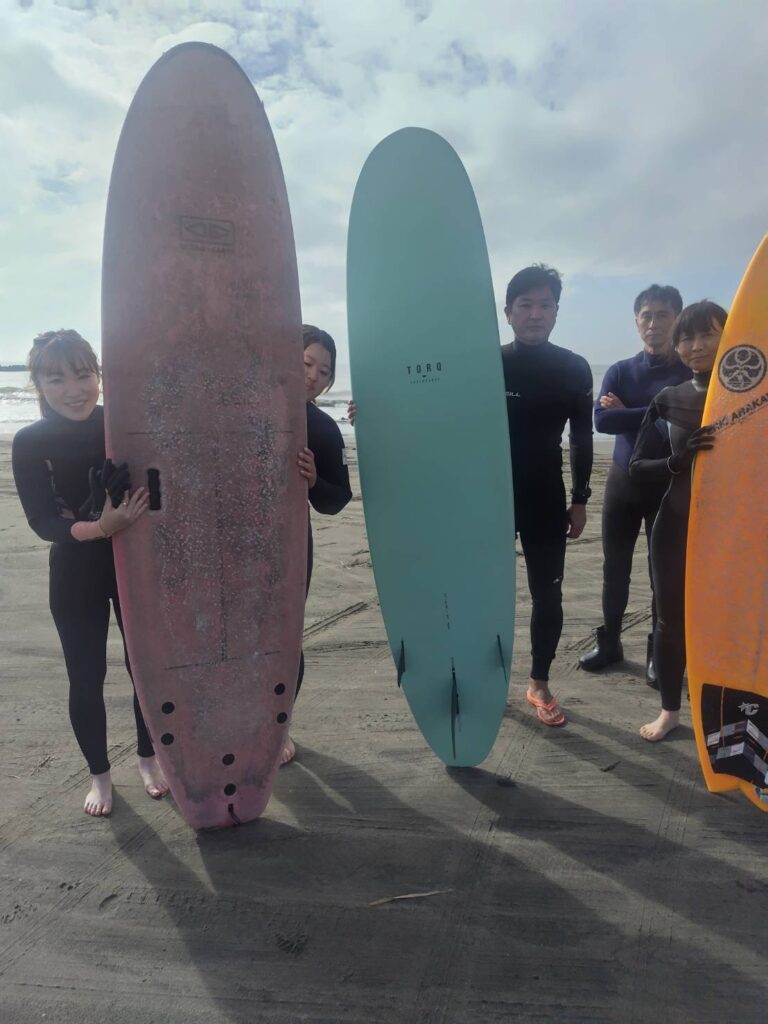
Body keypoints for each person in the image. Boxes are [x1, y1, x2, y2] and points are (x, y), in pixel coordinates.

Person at [11, 330, 167, 816]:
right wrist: (101, 525)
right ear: (37, 382)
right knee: (86, 675)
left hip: (136, 563)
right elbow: (42, 522)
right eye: (57, 378)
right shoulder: (31, 441)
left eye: (84, 374)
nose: (75, 389)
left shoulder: (121, 426)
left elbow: (157, 493)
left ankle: (149, 758)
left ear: (100, 375)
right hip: (76, 569)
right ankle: (100, 776)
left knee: (146, 669)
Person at [579, 285, 691, 683]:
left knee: (664, 573)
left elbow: (691, 416)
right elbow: (601, 422)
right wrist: (659, 410)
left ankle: (658, 655)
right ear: (636, 321)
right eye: (646, 315)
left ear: (677, 319)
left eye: (663, 314)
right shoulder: (621, 370)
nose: (654, 323)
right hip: (622, 484)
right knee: (615, 569)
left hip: (668, 485)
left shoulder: (688, 370)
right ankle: (610, 643)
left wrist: (630, 411)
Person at [628, 300, 726, 741]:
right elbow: (636, 466)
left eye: (708, 333)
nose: (696, 345)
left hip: (736, 530)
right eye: (686, 337)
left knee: (734, 621)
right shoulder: (669, 399)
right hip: (677, 524)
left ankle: (734, 712)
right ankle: (670, 711)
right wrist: (677, 461)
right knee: (671, 621)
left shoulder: (756, 396)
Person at [501, 265, 593, 727]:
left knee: (547, 593)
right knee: (486, 593)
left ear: (556, 312)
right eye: (526, 305)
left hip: (543, 495)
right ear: (508, 312)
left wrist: (579, 498)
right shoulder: (485, 362)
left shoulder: (573, 368)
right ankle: (486, 679)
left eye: (545, 305)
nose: (535, 314)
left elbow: (580, 436)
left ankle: (539, 682)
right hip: (489, 498)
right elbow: (434, 409)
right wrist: (372, 408)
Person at [283, 324, 352, 765]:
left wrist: (312, 482)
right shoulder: (243, 408)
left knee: (287, 639)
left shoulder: (323, 429)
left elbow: (337, 499)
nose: (313, 376)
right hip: (235, 543)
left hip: (290, 545)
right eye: (306, 363)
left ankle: (280, 724)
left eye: (324, 371)